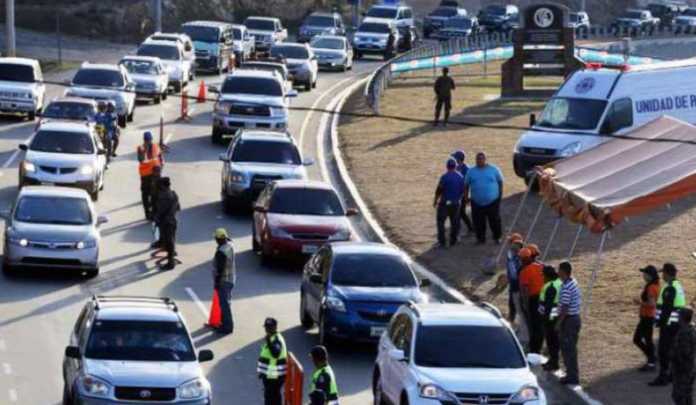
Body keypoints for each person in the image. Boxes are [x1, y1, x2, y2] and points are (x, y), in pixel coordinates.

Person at [650, 263, 687, 386]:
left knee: (663, 351)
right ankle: (672, 375)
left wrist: (660, 322)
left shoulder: (670, 287)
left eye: (663, 273)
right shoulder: (678, 285)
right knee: (672, 349)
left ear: (667, 273)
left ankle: (663, 376)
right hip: (677, 323)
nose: (662, 276)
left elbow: (667, 308)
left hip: (669, 324)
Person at [463, 152, 504, 245]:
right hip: (476, 202)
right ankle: (480, 239)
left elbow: (500, 182)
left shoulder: (494, 169)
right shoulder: (471, 171)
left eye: (481, 159)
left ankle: (497, 237)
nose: (479, 161)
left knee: (495, 220)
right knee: (478, 222)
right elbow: (466, 185)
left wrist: (499, 196)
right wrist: (466, 197)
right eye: (477, 159)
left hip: (493, 201)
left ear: (485, 159)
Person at [557, 261, 582, 385]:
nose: (557, 272)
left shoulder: (567, 287)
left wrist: (558, 323)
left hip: (569, 321)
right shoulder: (572, 282)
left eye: (559, 270)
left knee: (568, 349)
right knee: (570, 348)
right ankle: (571, 374)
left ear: (563, 271)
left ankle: (572, 376)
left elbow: (565, 308)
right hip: (574, 319)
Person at [433, 158, 465, 248]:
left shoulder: (444, 177)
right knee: (455, 223)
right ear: (455, 166)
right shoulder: (460, 177)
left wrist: (435, 201)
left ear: (447, 166)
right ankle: (453, 240)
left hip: (444, 203)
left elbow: (439, 190)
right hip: (455, 204)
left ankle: (442, 242)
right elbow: (463, 191)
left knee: (440, 222)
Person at [518, 247, 544, 354]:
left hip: (533, 300)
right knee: (541, 324)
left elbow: (524, 291)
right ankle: (538, 347)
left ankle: (534, 349)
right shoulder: (541, 266)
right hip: (544, 298)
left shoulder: (524, 271)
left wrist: (525, 305)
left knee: (534, 325)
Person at [634, 265, 660, 372]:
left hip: (647, 316)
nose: (643, 275)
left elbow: (652, 304)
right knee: (646, 339)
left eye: (645, 273)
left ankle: (651, 361)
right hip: (648, 316)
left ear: (650, 276)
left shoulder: (651, 287)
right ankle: (652, 357)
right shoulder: (655, 285)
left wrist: (639, 302)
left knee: (639, 339)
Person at [257, 318, 287, 405]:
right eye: (266, 327)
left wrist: (268, 341)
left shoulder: (276, 339)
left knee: (272, 398)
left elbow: (276, 353)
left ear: (275, 327)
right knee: (272, 397)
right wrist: (262, 372)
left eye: (269, 327)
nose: (267, 329)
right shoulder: (272, 337)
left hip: (274, 376)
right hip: (270, 375)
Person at [212, 228, 235, 334]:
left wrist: (217, 283)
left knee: (224, 305)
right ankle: (224, 323)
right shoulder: (229, 246)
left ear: (218, 239)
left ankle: (227, 327)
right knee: (226, 303)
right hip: (231, 279)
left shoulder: (221, 252)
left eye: (216, 239)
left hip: (224, 281)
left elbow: (220, 269)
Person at [539, 265, 562, 371]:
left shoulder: (550, 286)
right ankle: (552, 361)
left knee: (551, 341)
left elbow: (548, 305)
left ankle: (554, 363)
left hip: (550, 318)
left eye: (543, 275)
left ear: (547, 276)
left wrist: (545, 319)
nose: (542, 277)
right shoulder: (558, 282)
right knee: (554, 341)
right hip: (555, 315)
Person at [671, 308, 696, 405]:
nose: (677, 318)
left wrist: (673, 355)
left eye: (678, 316)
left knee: (679, 396)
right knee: (687, 395)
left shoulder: (684, 333)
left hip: (683, 369)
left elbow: (684, 352)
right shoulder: (691, 329)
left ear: (682, 318)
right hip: (690, 367)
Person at [154, 177, 179, 270]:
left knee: (169, 242)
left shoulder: (163, 196)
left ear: (163, 186)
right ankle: (171, 256)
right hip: (173, 221)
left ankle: (170, 262)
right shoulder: (174, 194)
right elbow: (178, 207)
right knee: (171, 240)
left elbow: (160, 211)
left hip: (166, 223)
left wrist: (156, 219)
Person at [138, 131, 163, 220]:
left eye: (149, 140)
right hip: (145, 175)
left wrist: (161, 165)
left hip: (155, 174)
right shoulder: (141, 148)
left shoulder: (156, 146)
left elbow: (160, 157)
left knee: (155, 194)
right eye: (147, 140)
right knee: (145, 194)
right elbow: (141, 160)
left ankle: (155, 212)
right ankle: (147, 213)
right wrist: (145, 150)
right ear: (144, 140)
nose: (149, 141)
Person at [451, 150, 473, 235]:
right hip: (457, 195)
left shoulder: (466, 169)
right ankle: (470, 228)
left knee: (459, 213)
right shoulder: (456, 168)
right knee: (461, 213)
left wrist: (466, 196)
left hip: (463, 195)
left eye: (454, 158)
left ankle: (462, 230)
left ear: (458, 159)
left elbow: (466, 184)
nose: (453, 160)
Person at [506, 233, 524, 324]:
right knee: (512, 302)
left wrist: (512, 279)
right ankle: (512, 318)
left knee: (517, 303)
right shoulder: (511, 254)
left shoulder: (520, 256)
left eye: (511, 243)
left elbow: (514, 273)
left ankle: (516, 321)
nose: (509, 245)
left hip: (517, 284)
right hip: (514, 283)